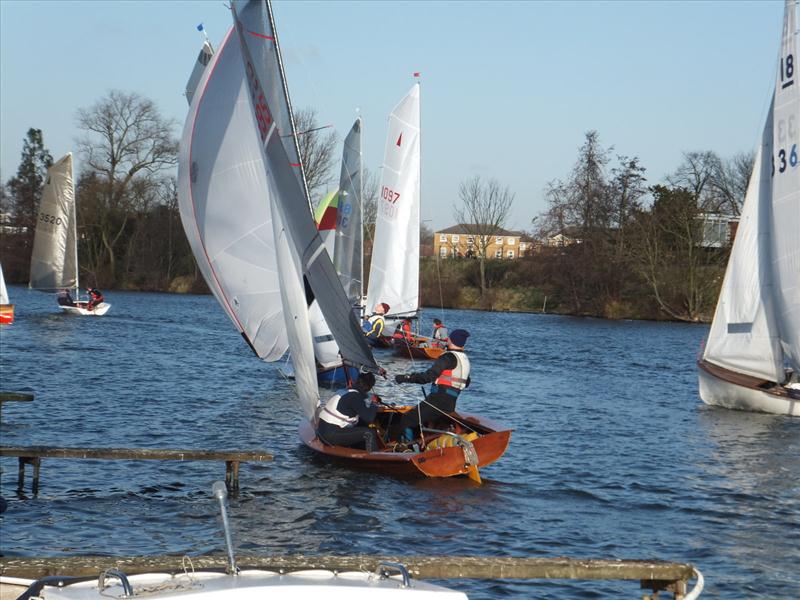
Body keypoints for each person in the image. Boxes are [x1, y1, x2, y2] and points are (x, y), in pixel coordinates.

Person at [391, 328, 471, 440]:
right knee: (423, 420)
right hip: (451, 403)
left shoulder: (447, 357)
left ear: (450, 340)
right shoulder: (465, 359)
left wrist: (405, 378)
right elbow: (466, 382)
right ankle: (422, 443)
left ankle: (404, 449)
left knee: (407, 419)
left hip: (438, 400)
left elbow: (427, 377)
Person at [316, 372, 380, 451]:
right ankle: (374, 459)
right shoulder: (355, 397)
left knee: (361, 425)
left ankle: (360, 452)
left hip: (321, 431)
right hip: (330, 435)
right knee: (369, 433)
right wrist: (374, 403)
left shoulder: (344, 391)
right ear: (369, 388)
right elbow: (369, 418)